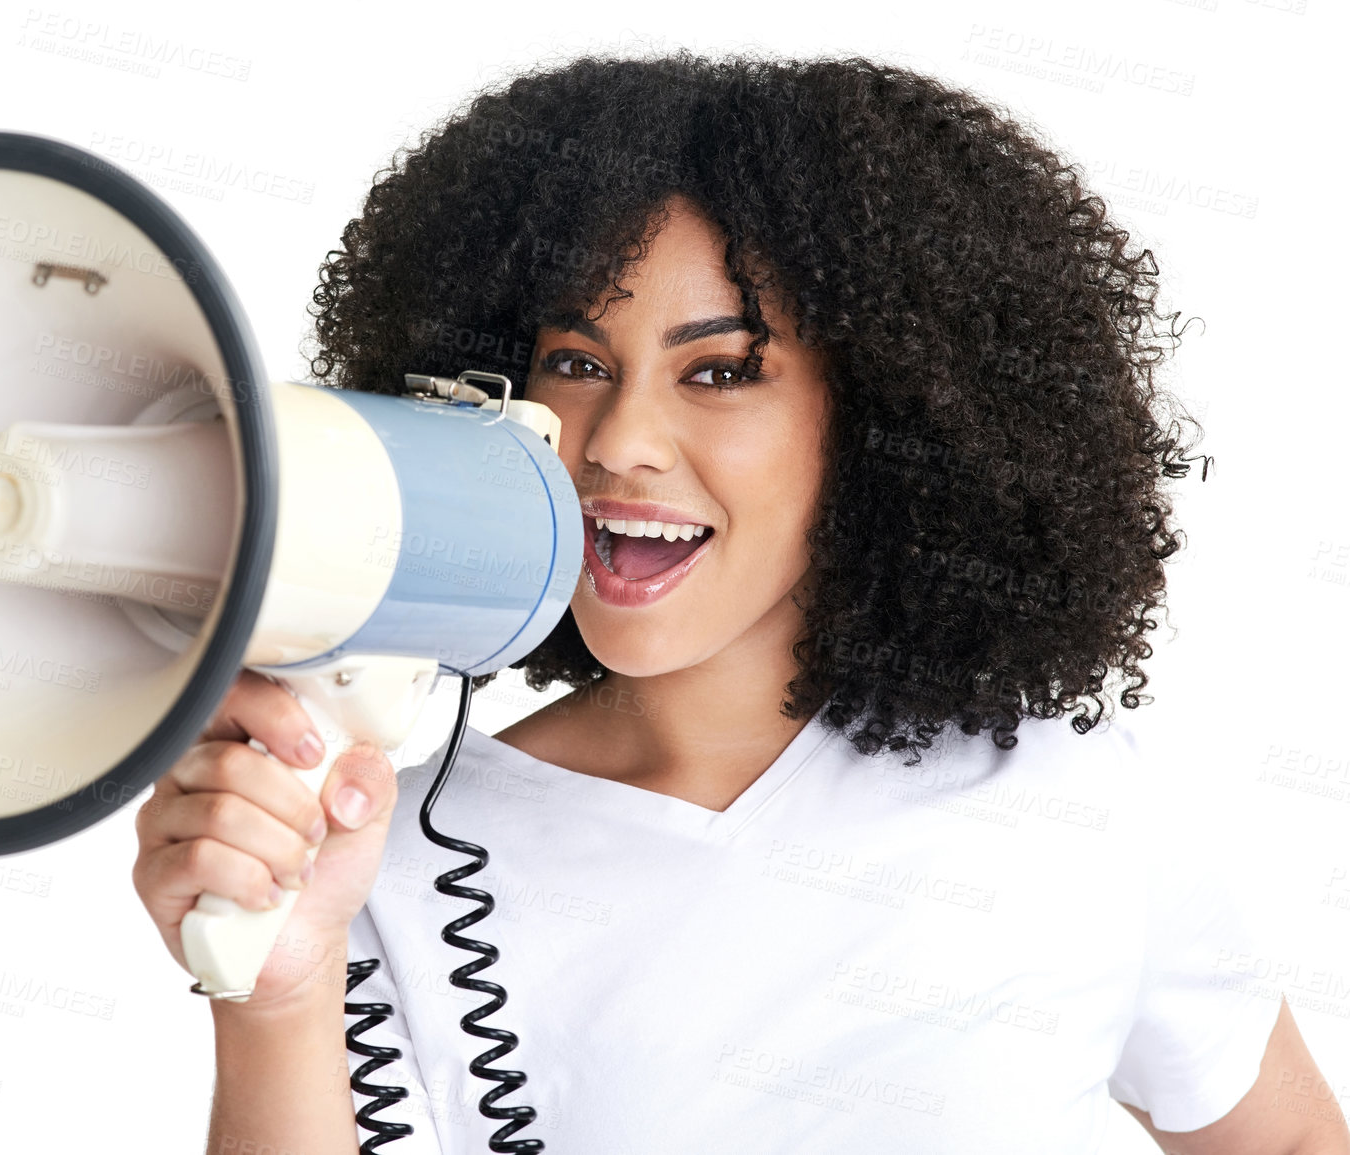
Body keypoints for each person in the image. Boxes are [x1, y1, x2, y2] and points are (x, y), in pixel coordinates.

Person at [132, 53, 1350, 1153]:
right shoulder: (363, 853)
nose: (623, 441)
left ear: (883, 416)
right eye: (577, 363)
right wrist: (280, 1000)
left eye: (719, 372)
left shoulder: (1081, 802)